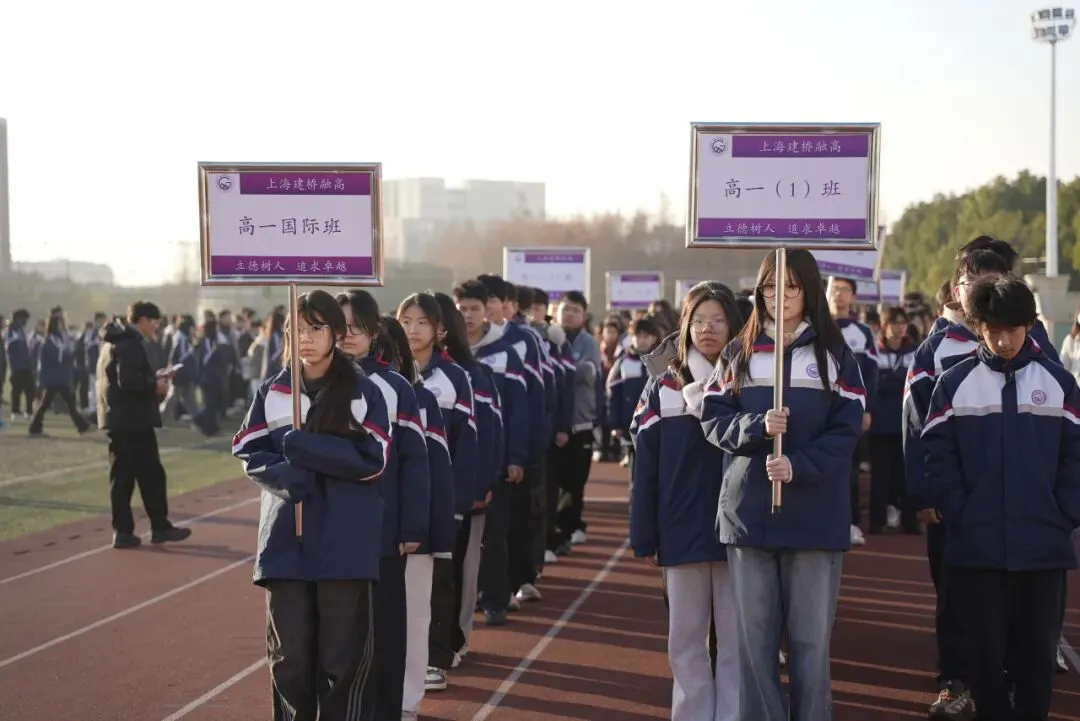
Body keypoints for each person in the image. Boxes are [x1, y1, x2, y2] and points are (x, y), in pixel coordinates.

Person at [700, 249, 865, 719]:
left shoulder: (835, 355)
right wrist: (756, 426)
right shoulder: (739, 352)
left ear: (809, 289)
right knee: (755, 646)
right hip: (749, 515)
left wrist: (798, 465)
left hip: (815, 518)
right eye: (771, 286)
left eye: (791, 285)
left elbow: (847, 432)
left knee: (811, 644)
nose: (780, 295)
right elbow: (713, 421)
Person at [921, 277, 1080, 720]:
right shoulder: (954, 383)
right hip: (977, 547)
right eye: (993, 329)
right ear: (978, 327)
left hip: (1043, 547)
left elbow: (1075, 457)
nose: (1003, 339)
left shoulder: (1059, 383)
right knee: (984, 656)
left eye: (1013, 329)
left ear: (1029, 325)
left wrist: (1065, 514)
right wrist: (961, 512)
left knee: (1036, 658)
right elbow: (937, 456)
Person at [232, 289, 392, 721]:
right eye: (297, 329)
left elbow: (374, 459)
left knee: (343, 661)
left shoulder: (363, 391)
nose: (305, 337)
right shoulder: (274, 390)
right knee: (289, 660)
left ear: (336, 333)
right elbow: (247, 449)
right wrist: (286, 475)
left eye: (316, 328)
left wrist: (307, 448)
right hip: (286, 543)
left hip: (344, 542)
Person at [903, 249, 1012, 718]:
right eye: (973, 283)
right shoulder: (935, 349)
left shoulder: (1026, 340)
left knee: (1010, 593)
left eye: (994, 280)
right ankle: (955, 681)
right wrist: (924, 492)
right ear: (956, 290)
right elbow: (914, 426)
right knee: (954, 593)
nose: (984, 291)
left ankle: (1005, 680)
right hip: (952, 498)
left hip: (1010, 498)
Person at [630, 283, 744, 721]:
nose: (707, 329)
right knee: (686, 640)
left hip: (741, 529)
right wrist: (644, 534)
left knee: (738, 642)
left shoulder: (751, 380)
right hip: (681, 528)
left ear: (734, 325)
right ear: (685, 326)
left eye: (717, 320)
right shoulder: (662, 386)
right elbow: (645, 468)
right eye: (698, 321)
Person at [337, 290, 430, 721]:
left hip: (382, 531)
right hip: (328, 532)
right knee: (339, 637)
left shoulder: (395, 386)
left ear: (374, 332)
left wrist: (411, 526)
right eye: (340, 326)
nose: (348, 335)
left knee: (385, 633)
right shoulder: (310, 383)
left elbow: (415, 461)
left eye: (358, 326)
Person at [397, 292, 479, 693]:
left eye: (422, 323)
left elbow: (466, 442)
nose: (413, 330)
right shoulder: (389, 376)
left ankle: (436, 657)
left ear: (440, 330)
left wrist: (458, 501)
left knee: (439, 580)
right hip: (400, 498)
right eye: (406, 321)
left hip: (441, 499)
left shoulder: (455, 377)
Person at [379, 315, 456, 721]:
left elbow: (436, 470)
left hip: (410, 533)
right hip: (363, 533)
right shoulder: (342, 396)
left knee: (411, 616)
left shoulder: (420, 399)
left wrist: (431, 532)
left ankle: (406, 701)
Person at [97, 302, 191, 549]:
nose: (157, 328)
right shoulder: (129, 343)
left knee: (127, 477)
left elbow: (122, 379)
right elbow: (128, 380)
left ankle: (130, 530)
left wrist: (153, 378)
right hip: (132, 421)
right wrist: (154, 385)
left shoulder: (115, 341)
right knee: (147, 476)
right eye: (154, 322)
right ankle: (155, 528)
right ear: (142, 320)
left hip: (122, 419)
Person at [826, 275, 878, 546]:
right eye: (834, 289)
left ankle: (852, 522)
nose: (839, 294)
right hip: (822, 411)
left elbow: (871, 374)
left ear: (853, 296)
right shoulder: (815, 327)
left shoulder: (863, 332)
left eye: (844, 290)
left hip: (850, 411)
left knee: (851, 470)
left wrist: (867, 409)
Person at [554, 291, 603, 548]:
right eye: (565, 309)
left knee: (575, 480)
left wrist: (559, 368)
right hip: (554, 422)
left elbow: (587, 372)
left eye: (575, 310)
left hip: (580, 421)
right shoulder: (550, 338)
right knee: (554, 480)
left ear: (584, 316)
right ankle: (558, 529)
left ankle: (572, 525)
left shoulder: (589, 342)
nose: (569, 314)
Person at [868, 306, 919, 534]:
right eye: (894, 323)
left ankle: (910, 520)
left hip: (907, 423)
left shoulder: (915, 351)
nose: (899, 327)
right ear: (884, 325)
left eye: (902, 323)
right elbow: (873, 384)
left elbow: (915, 383)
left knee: (906, 475)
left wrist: (890, 380)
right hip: (880, 424)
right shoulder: (875, 351)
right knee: (880, 476)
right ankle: (876, 521)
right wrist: (897, 380)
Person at [28, 313, 90, 436]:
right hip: (54, 377)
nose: (62, 326)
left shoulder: (58, 338)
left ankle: (81, 425)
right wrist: (68, 355)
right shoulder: (50, 339)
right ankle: (82, 425)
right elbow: (57, 355)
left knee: (50, 403)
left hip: (57, 377)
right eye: (59, 323)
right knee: (65, 403)